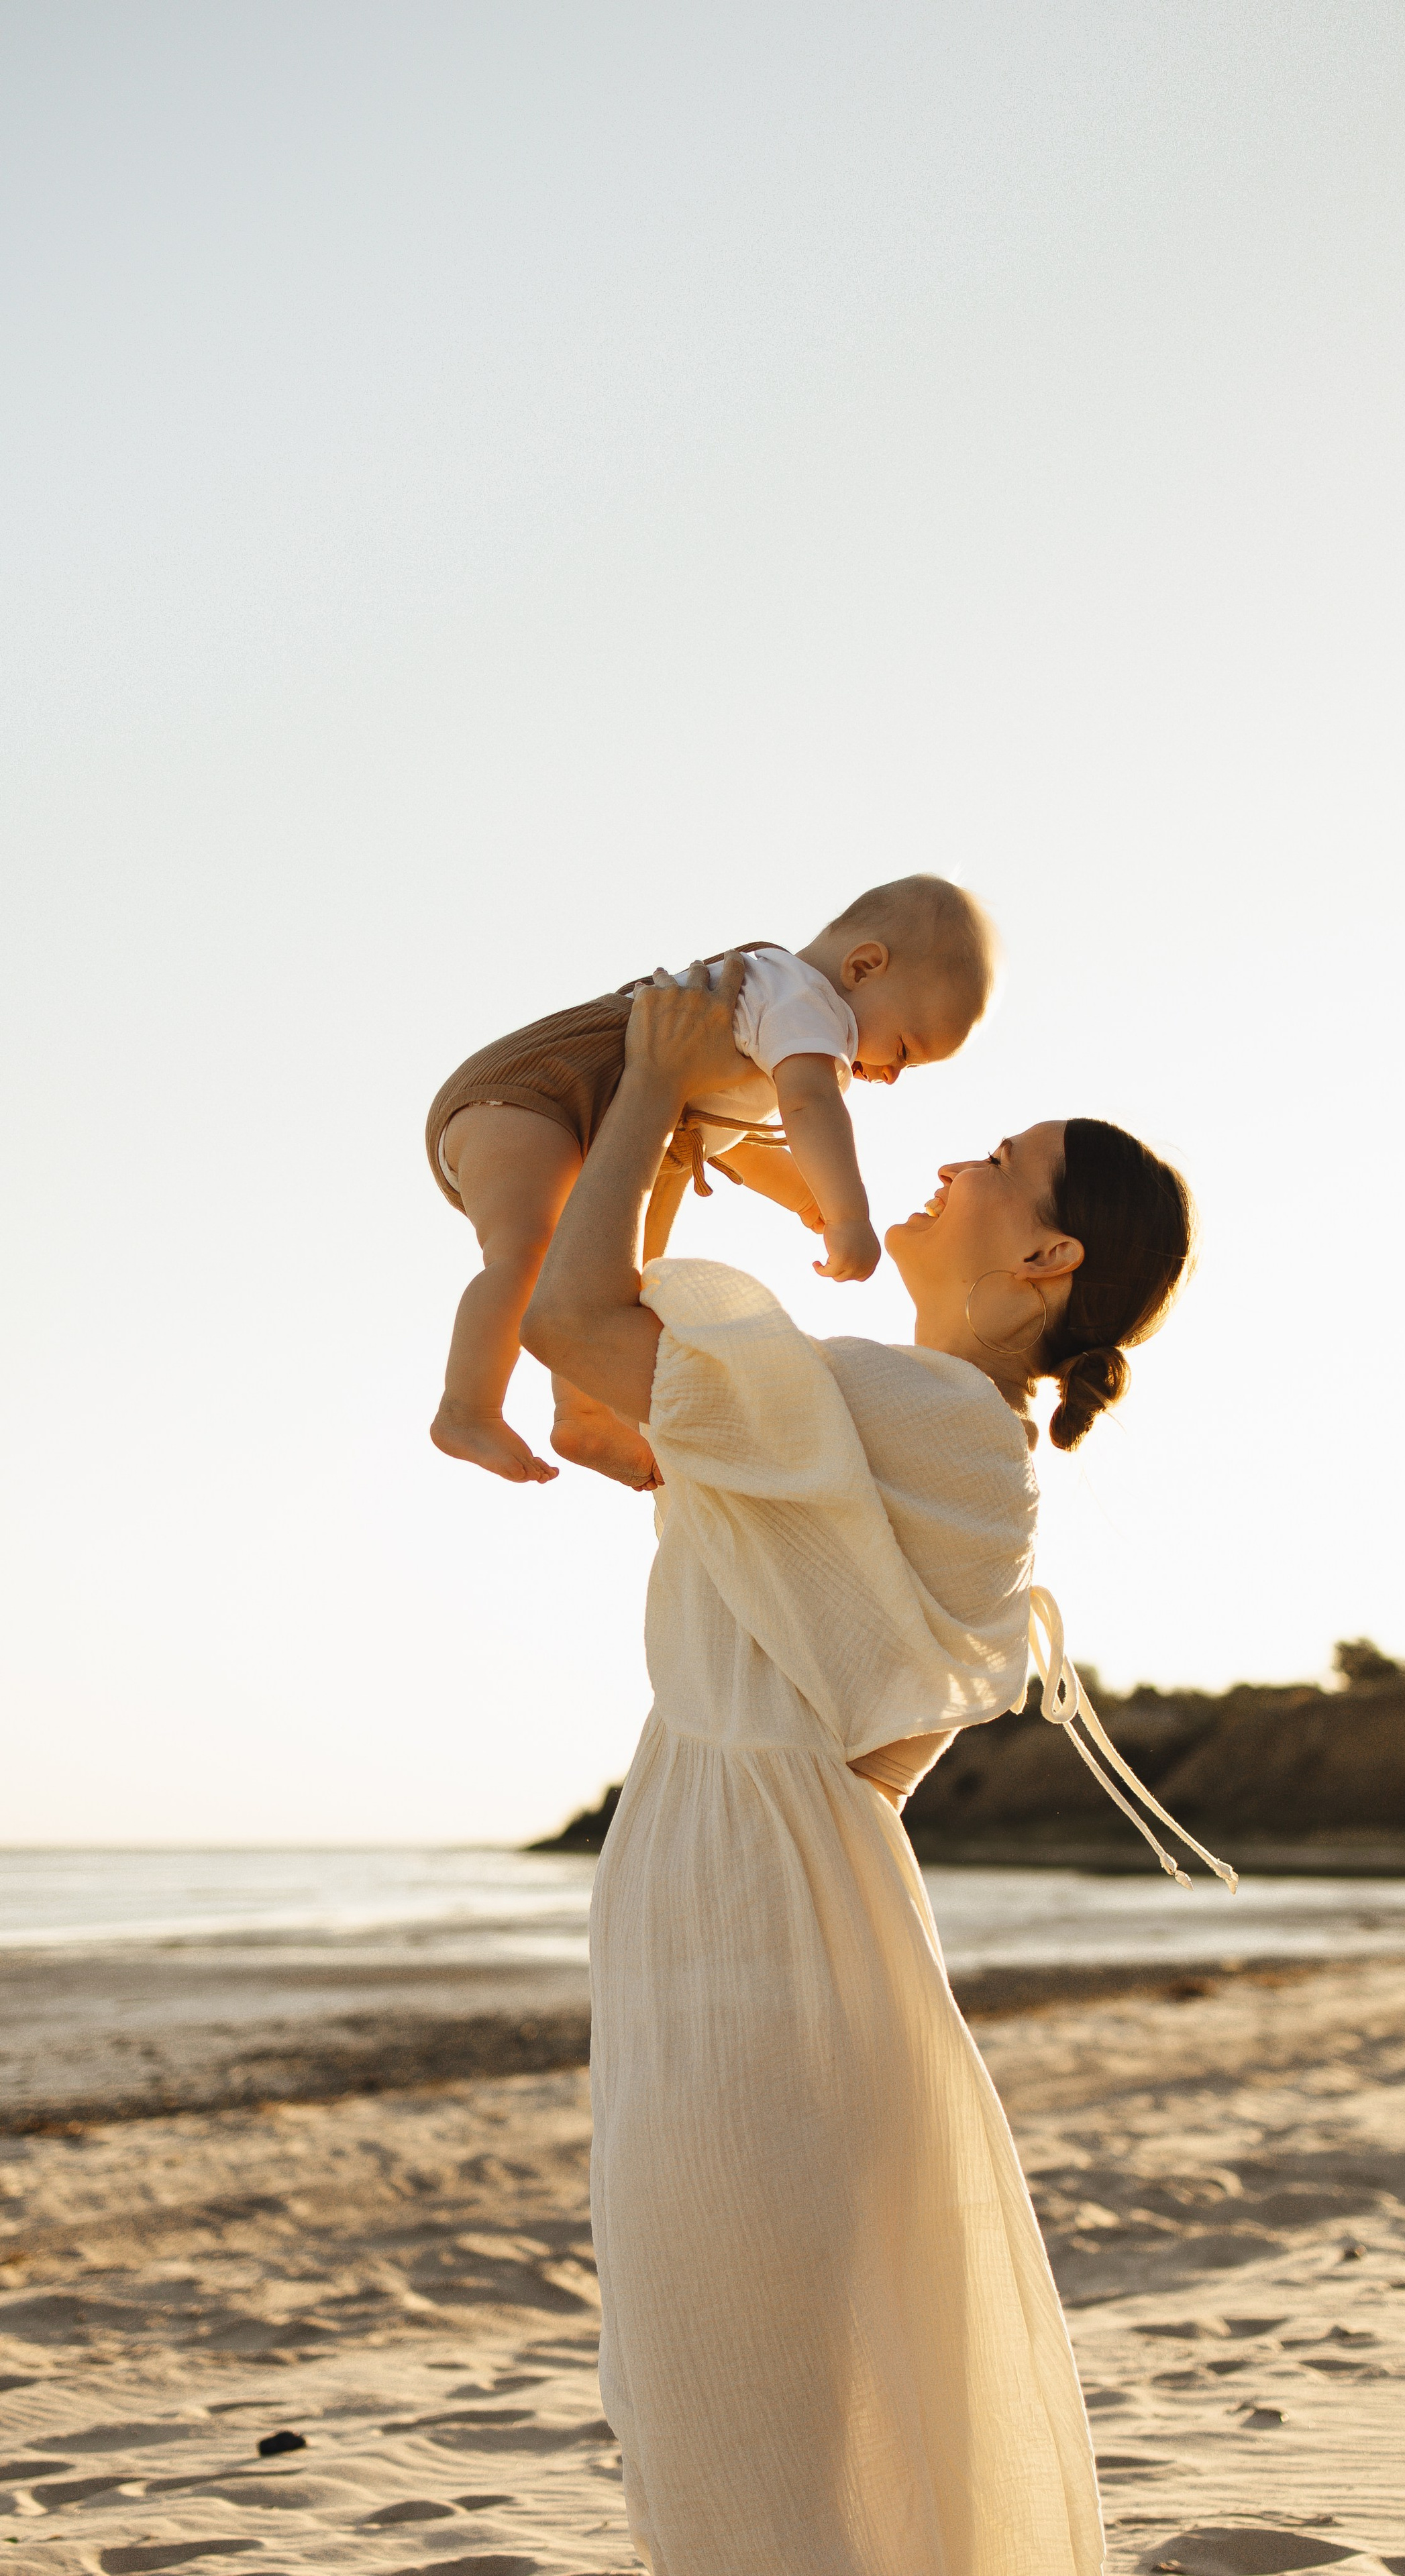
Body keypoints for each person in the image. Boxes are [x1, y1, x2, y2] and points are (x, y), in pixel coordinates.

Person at [519, 955, 1195, 2576]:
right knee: (741, 2391)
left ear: (1042, 1255)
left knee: (749, 2401)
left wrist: (644, 1090)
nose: (947, 1161)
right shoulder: (903, 1421)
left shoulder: (921, 1414)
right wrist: (664, 1156)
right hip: (748, 1896)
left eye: (996, 1163)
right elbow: (595, 1410)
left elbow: (567, 1328)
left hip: (763, 1911)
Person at [424, 873, 995, 1490]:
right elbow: (811, 1108)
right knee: (525, 1254)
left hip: (557, 1113)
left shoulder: (768, 1015)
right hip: (536, 1096)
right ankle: (468, 1409)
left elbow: (734, 1138)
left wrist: (805, 1198)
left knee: (605, 1282)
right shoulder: (803, 998)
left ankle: (584, 1416)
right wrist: (848, 1213)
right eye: (906, 1050)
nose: (891, 1076)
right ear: (864, 967)